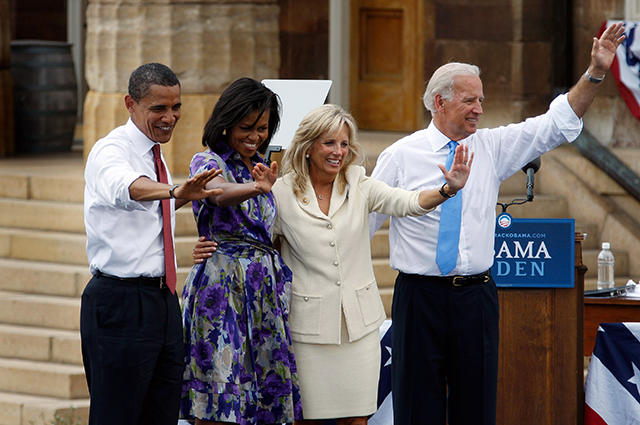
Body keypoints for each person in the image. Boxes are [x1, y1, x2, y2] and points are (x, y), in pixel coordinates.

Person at [368, 22, 626, 425]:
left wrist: (594, 72)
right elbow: (364, 221)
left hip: (476, 300)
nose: (479, 109)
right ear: (439, 102)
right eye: (470, 100)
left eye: (481, 100)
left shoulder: (491, 146)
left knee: (478, 408)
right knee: (417, 408)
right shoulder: (400, 156)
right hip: (420, 300)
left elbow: (554, 124)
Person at [272, 103, 471, 425]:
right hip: (308, 329)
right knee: (306, 418)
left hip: (359, 328)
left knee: (356, 419)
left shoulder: (358, 182)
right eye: (329, 143)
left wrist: (447, 189)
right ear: (308, 146)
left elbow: (406, 202)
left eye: (344, 144)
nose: (338, 152)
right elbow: (257, 240)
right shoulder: (281, 192)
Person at [81, 62, 222, 425]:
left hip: (163, 301)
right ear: (131, 104)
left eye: (176, 107)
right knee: (117, 417)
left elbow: (152, 217)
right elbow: (125, 189)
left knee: (162, 416)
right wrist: (176, 191)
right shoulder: (110, 150)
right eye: (159, 108)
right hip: (120, 303)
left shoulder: (155, 155)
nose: (170, 117)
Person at [180, 77, 302, 425]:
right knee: (218, 393)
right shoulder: (207, 159)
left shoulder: (264, 163)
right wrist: (256, 187)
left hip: (263, 288)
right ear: (226, 123)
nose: (255, 135)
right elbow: (217, 193)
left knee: (264, 393)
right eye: (245, 127)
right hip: (222, 285)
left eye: (263, 128)